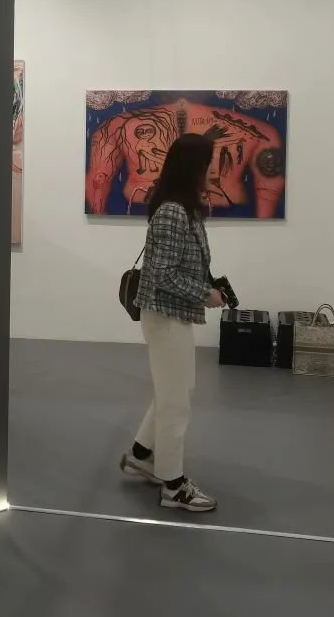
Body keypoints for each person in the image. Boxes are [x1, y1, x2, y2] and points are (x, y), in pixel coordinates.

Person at [119, 133, 224, 512]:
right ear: (193, 167)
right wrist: (203, 293)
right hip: (165, 317)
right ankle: (173, 485)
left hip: (172, 315)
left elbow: (180, 264)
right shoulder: (172, 212)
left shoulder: (185, 209)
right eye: (209, 162)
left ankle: (141, 454)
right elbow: (161, 274)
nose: (214, 169)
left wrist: (207, 284)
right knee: (176, 401)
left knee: (174, 391)